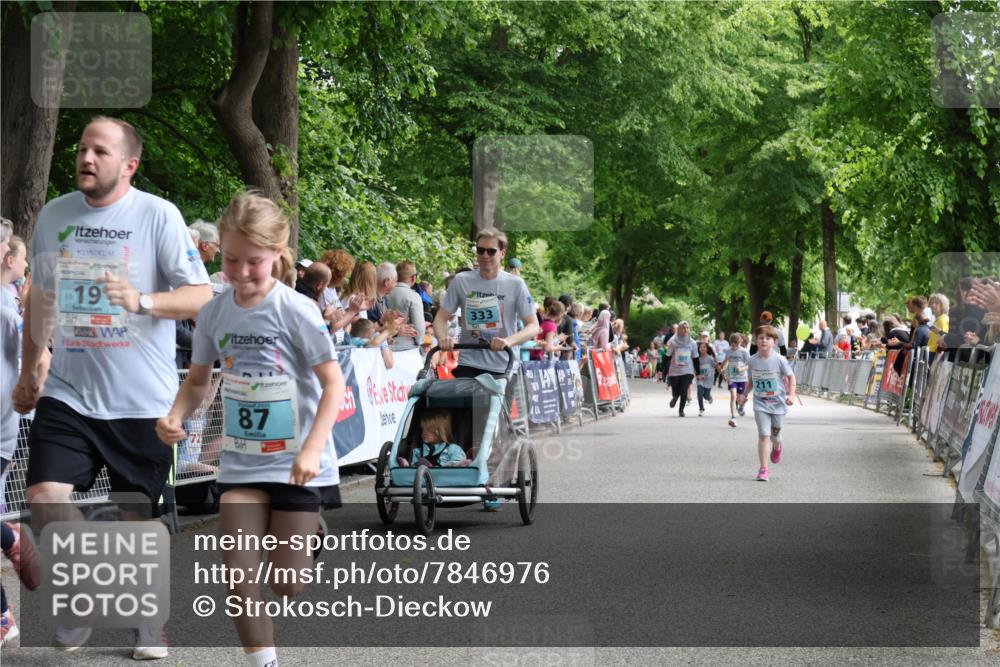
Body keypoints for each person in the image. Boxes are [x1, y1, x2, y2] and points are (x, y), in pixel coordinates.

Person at [13, 117, 213, 657]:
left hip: (140, 400)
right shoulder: (55, 215)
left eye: (101, 150)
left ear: (129, 165)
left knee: (135, 521)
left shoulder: (157, 215)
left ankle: (147, 621)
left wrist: (142, 301)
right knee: (44, 497)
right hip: (69, 392)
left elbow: (200, 296)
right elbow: (40, 299)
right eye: (82, 148)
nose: (86, 157)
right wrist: (34, 367)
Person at [156, 192, 346, 667]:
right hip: (241, 462)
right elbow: (199, 381)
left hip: (298, 463)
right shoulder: (215, 311)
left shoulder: (295, 311)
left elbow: (334, 383)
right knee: (239, 576)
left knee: (287, 583)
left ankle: (312, 529)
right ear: (219, 247)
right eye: (232, 258)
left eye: (254, 262)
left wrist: (313, 450)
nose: (240, 273)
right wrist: (176, 415)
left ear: (278, 255)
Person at [1, 222, 46, 646]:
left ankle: (10, 535)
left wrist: (31, 394)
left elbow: (40, 357)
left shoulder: (6, 307)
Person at [434, 227, 539, 378]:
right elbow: (440, 318)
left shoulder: (516, 284)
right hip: (468, 363)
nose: (484, 255)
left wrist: (507, 341)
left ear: (502, 253)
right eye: (480, 250)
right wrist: (443, 337)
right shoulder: (462, 280)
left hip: (503, 365)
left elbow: (534, 326)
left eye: (491, 251)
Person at [737, 325, 796, 482]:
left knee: (775, 436)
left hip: (778, 404)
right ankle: (764, 469)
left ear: (774, 341)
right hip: (760, 403)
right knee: (764, 435)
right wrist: (744, 394)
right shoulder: (752, 360)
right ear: (756, 341)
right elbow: (751, 380)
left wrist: (791, 395)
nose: (764, 340)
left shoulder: (780, 359)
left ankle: (777, 446)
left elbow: (791, 377)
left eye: (768, 338)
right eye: (761, 338)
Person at [397, 412, 472, 468]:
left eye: (429, 430)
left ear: (440, 432)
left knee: (457, 464)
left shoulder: (453, 449)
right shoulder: (418, 452)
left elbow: (459, 473)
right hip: (423, 480)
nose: (424, 433)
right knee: (417, 465)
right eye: (423, 430)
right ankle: (407, 467)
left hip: (447, 480)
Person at [386, 260, 424, 351]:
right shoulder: (414, 296)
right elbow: (419, 327)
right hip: (406, 347)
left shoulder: (386, 292)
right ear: (413, 278)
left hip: (384, 345)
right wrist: (419, 341)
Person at [664, 321, 699, 417]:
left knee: (684, 390)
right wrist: (662, 371)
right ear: (679, 329)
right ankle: (675, 397)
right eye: (683, 327)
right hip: (674, 370)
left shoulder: (692, 343)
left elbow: (695, 358)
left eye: (687, 327)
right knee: (676, 390)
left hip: (688, 370)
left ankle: (681, 410)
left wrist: (698, 372)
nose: (685, 329)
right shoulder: (673, 341)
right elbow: (667, 356)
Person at [721, 332, 751, 428]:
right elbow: (726, 361)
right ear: (731, 342)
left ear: (740, 342)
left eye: (736, 344)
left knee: (740, 398)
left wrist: (742, 369)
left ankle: (741, 406)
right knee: (733, 397)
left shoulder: (744, 352)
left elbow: (749, 365)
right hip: (732, 377)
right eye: (733, 344)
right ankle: (733, 418)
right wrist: (723, 368)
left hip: (742, 378)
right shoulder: (728, 351)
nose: (734, 346)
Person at [695, 337, 716, 416]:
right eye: (701, 347)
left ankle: (709, 398)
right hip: (700, 379)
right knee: (699, 393)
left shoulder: (710, 358)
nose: (702, 348)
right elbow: (695, 369)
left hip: (709, 379)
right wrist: (697, 375)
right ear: (699, 349)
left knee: (706, 396)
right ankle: (701, 409)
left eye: (704, 347)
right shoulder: (697, 359)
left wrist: (721, 370)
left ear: (707, 349)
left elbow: (716, 366)